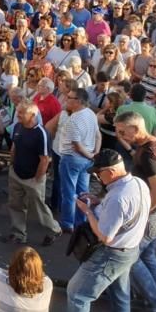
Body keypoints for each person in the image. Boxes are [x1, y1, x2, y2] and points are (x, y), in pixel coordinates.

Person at [58, 149, 151, 312]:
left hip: (112, 254)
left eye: (99, 173)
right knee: (120, 295)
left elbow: (105, 236)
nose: (97, 177)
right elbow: (125, 212)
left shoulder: (118, 197)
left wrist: (88, 211)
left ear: (110, 171)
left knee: (77, 293)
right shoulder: (137, 183)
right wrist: (100, 202)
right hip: (131, 249)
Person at [114, 112, 156, 312]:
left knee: (129, 258)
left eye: (123, 131)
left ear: (135, 128)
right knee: (148, 257)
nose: (120, 135)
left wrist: (143, 213)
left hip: (153, 215)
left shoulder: (148, 154)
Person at [6, 102, 61, 246]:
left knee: (38, 208)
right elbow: (15, 146)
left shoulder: (41, 133)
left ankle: (53, 230)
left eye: (21, 113)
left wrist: (37, 179)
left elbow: (45, 159)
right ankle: (18, 233)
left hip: (32, 178)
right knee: (16, 204)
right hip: (16, 174)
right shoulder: (18, 126)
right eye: (18, 112)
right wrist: (11, 165)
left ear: (32, 115)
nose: (17, 115)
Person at [57, 89, 100, 233]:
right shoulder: (91, 114)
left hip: (72, 160)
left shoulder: (73, 120)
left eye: (69, 97)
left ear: (78, 101)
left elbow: (77, 146)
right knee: (83, 192)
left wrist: (90, 156)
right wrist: (94, 154)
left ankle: (67, 223)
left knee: (69, 193)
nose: (66, 99)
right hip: (86, 160)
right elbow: (97, 135)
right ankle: (81, 221)